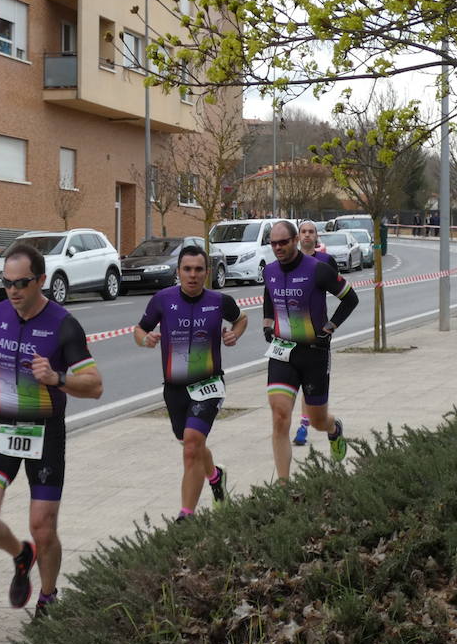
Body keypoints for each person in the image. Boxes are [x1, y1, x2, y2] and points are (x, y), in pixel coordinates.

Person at [0, 242, 103, 618]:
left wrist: (57, 377)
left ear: (41, 280)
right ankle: (20, 554)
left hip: (45, 433)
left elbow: (94, 385)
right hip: (1, 428)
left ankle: (47, 596)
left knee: (43, 526)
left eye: (21, 283)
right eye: (6, 282)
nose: (12, 290)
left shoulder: (63, 325)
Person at [135, 245, 248, 519]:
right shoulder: (163, 299)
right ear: (179, 272)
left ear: (207, 273)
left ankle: (186, 515)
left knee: (191, 444)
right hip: (174, 389)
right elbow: (140, 329)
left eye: (199, 269)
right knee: (191, 444)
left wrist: (235, 334)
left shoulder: (219, 300)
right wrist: (145, 340)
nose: (193, 275)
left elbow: (241, 319)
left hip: (208, 385)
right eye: (187, 269)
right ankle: (215, 475)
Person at [263, 220, 359, 480]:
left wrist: (330, 327)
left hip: (314, 353)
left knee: (317, 420)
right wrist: (268, 323)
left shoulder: (318, 269)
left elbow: (351, 298)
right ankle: (283, 484)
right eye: (273, 243)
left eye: (283, 242)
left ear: (295, 241)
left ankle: (333, 428)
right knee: (280, 415)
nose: (278, 247)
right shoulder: (269, 271)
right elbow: (269, 297)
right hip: (283, 352)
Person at [292, 219, 337, 446]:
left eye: (311, 232)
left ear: (317, 236)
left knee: (314, 392)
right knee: (297, 382)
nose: (307, 235)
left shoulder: (326, 261)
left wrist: (330, 325)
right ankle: (302, 426)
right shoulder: (288, 262)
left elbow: (342, 292)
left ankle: (325, 423)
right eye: (303, 231)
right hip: (292, 334)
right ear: (298, 236)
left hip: (317, 334)